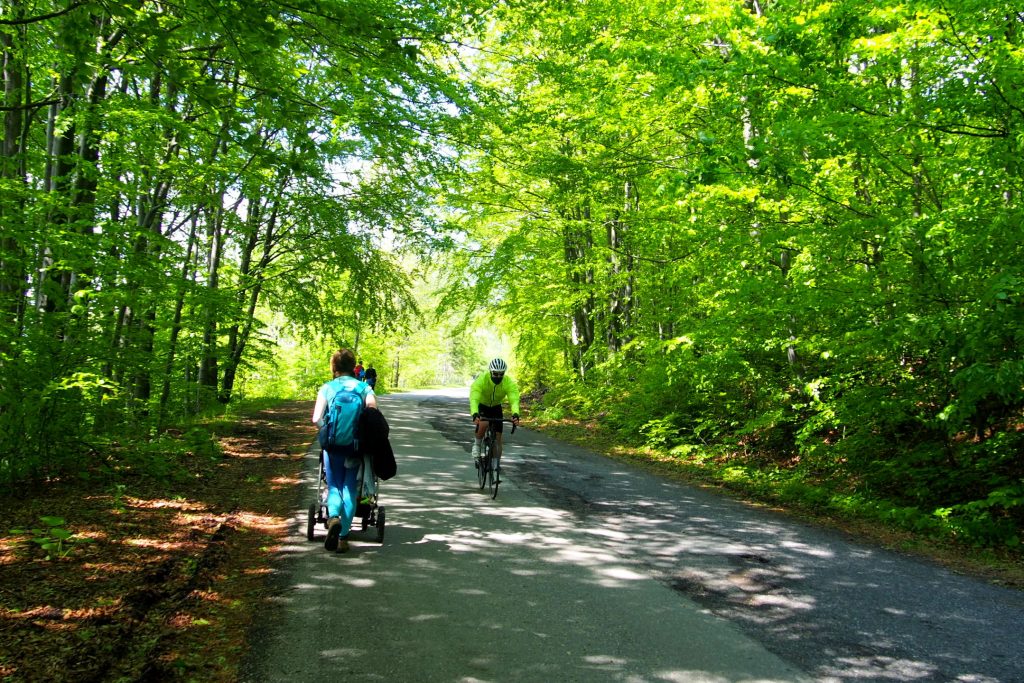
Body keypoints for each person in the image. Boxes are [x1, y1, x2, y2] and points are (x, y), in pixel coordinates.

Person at [312, 348, 376, 553]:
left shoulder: (327, 388)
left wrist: (327, 431)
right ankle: (343, 538)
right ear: (353, 366)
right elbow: (373, 413)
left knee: (333, 486)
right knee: (349, 488)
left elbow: (316, 419)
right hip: (355, 448)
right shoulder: (363, 388)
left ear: (334, 367)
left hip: (333, 447)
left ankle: (333, 518)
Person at [469, 358, 521, 464]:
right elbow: (474, 397)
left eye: (501, 374)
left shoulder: (507, 382)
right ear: (491, 371)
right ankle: (477, 445)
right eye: (495, 374)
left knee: (498, 438)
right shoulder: (483, 379)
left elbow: (514, 399)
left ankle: (495, 466)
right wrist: (474, 413)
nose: (498, 377)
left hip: (496, 406)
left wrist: (515, 413)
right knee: (483, 424)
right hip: (482, 405)